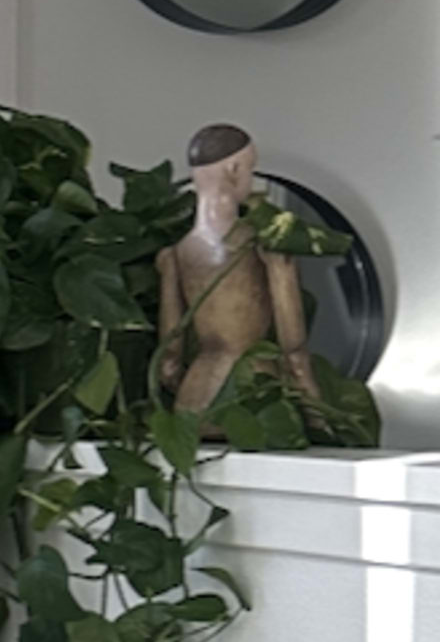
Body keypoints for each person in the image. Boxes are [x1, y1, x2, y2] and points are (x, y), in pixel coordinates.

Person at [152, 121, 379, 448]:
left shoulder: (175, 255)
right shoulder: (265, 246)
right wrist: (318, 419)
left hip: (194, 401)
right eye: (250, 168)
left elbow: (170, 360)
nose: (250, 177)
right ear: (233, 169)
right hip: (255, 397)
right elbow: (293, 347)